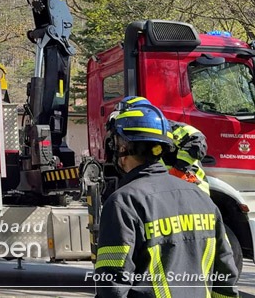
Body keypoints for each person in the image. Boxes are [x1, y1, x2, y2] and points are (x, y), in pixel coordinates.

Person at [95, 98, 238, 297]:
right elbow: (225, 277)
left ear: (122, 148)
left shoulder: (124, 203)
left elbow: (112, 284)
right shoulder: (203, 199)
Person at [112, 96, 210, 194]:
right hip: (171, 190)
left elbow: (197, 139)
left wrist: (178, 170)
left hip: (193, 188)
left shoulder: (164, 128)